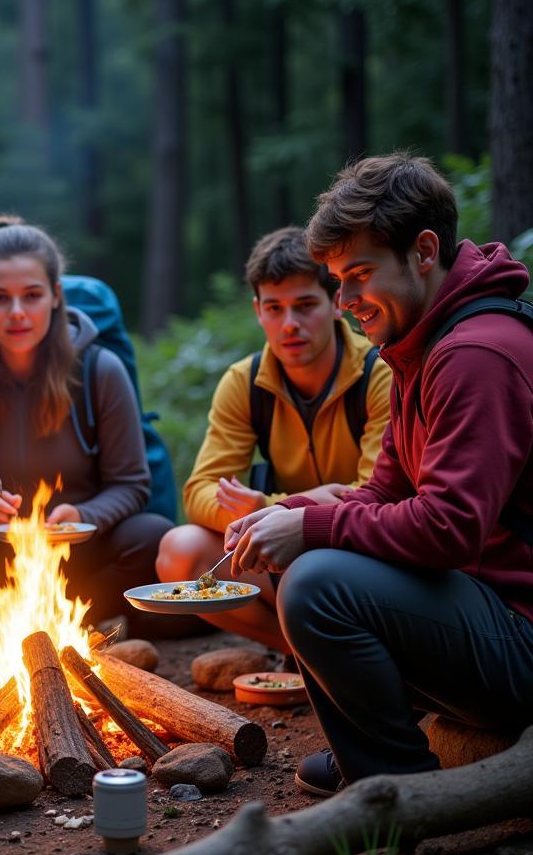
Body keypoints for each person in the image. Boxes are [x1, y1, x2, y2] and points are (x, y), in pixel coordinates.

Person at [224, 153, 533, 796]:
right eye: (338, 279)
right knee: (301, 553)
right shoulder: (422, 347)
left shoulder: (476, 354)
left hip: (520, 633)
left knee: (315, 580)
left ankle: (401, 790)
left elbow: (447, 530)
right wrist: (296, 515)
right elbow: (387, 491)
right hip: (484, 608)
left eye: (359, 274)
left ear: (424, 251)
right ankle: (367, 755)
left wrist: (313, 526)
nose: (345, 301)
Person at [0, 215, 173, 637]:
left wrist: (84, 515)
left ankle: (58, 625)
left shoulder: (99, 370)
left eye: (31, 295)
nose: (17, 313)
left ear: (55, 296)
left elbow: (132, 484)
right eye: (0, 298)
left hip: (80, 558)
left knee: (152, 535)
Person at [155, 226, 392, 651]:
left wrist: (273, 509)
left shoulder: (379, 373)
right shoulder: (244, 382)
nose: (290, 325)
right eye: (275, 308)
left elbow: (382, 496)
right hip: (280, 549)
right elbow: (200, 490)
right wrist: (263, 517)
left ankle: (363, 658)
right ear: (257, 311)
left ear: (337, 302)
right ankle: (307, 656)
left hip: (360, 547)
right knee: (180, 551)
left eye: (304, 306)